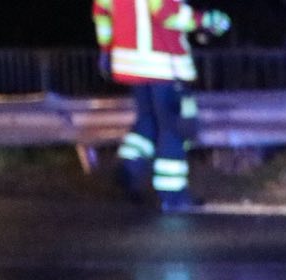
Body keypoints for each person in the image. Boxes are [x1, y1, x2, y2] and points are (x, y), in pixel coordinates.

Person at [94, 0, 230, 213]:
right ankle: (172, 195)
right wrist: (206, 20)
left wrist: (106, 48)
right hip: (163, 66)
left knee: (148, 121)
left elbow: (101, 12)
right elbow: (166, 12)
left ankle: (128, 169)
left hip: (129, 64)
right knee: (175, 128)